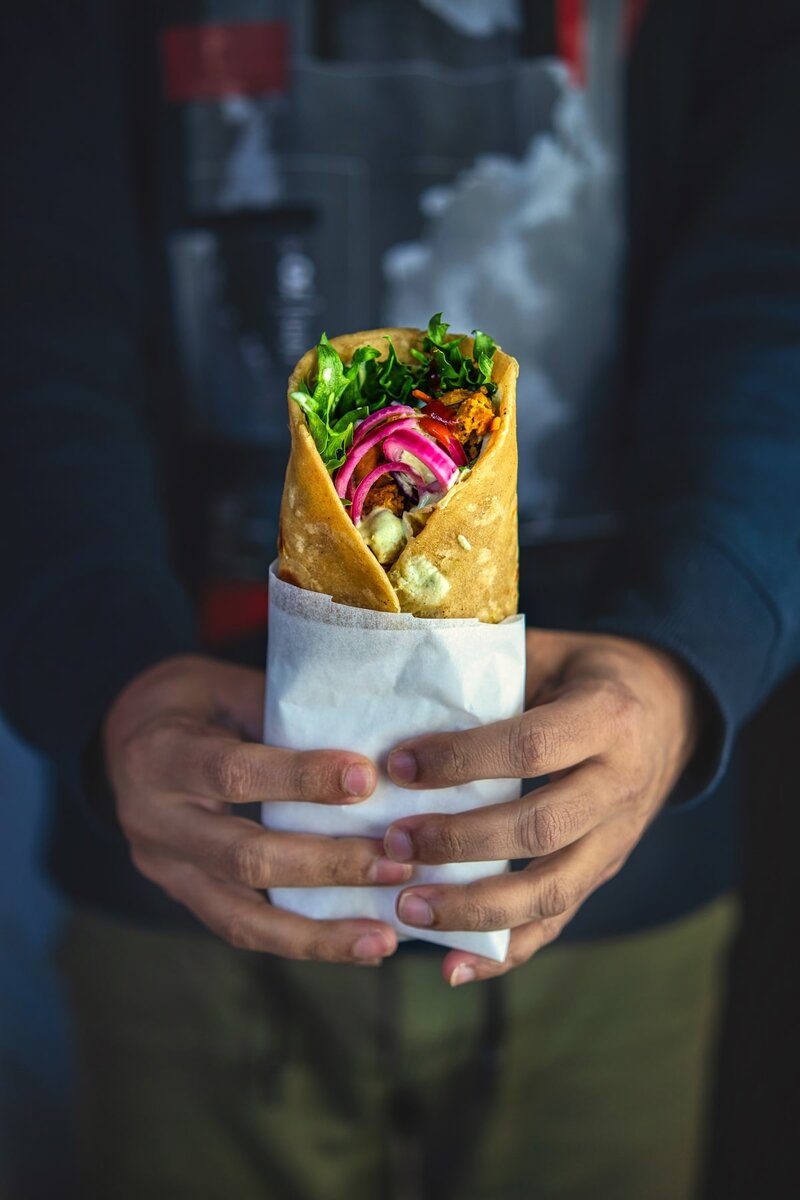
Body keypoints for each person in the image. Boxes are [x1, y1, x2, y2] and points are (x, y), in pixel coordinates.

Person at [2, 1, 799, 1198]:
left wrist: (690, 661)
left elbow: (776, 292)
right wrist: (103, 673)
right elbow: (32, 306)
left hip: (618, 862)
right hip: (177, 854)